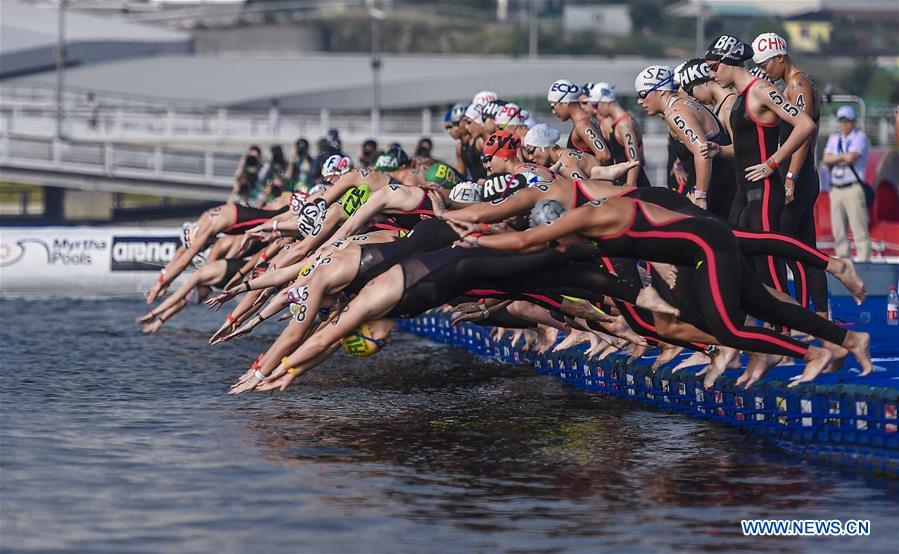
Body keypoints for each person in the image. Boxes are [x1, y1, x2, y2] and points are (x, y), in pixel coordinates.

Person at [704, 36, 816, 295]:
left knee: (768, 263)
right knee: (737, 258)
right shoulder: (742, 96)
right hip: (744, 193)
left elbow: (805, 125)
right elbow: (745, 148)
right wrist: (719, 150)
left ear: (730, 62)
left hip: (764, 192)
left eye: (713, 67)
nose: (711, 74)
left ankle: (785, 328)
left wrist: (773, 163)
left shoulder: (761, 90)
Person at [752, 32, 828, 316]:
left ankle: (797, 316)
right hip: (802, 175)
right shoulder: (795, 82)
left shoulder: (797, 84)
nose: (762, 70)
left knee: (784, 248)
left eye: (765, 64)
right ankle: (820, 317)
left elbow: (803, 134)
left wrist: (789, 178)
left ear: (780, 57)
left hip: (798, 176)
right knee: (806, 252)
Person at [822, 105, 871, 261]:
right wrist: (842, 157)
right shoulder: (834, 138)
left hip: (852, 187)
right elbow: (826, 159)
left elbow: (851, 158)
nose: (844, 124)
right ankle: (844, 260)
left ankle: (864, 261)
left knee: (859, 228)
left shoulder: (860, 137)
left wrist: (836, 158)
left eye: (847, 121)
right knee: (838, 230)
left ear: (853, 122)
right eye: (841, 121)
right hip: (836, 188)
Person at [590, 82, 652, 187]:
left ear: (606, 102)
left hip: (634, 185)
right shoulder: (620, 122)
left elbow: (634, 160)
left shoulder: (624, 126)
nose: (595, 109)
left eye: (595, 105)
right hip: (627, 182)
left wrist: (630, 186)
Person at [547, 79, 611, 163]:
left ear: (566, 102)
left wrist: (585, 170)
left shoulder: (582, 125)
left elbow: (604, 155)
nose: (553, 112)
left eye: (553, 106)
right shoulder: (587, 120)